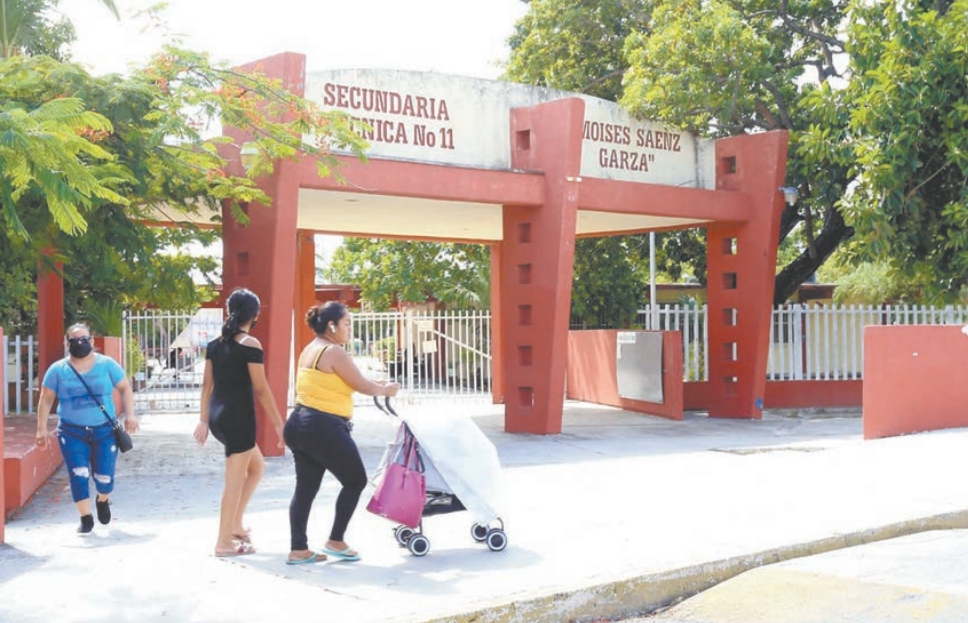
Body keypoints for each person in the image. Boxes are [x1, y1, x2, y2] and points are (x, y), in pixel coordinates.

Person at [284, 301, 400, 565]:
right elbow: (360, 384)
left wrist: (379, 384)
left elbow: (346, 380)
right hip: (323, 426)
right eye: (347, 324)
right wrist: (386, 390)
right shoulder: (335, 351)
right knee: (355, 480)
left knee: (305, 490)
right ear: (331, 326)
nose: (350, 329)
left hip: (299, 424)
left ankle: (298, 549)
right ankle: (336, 540)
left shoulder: (310, 349)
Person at [193, 288, 285, 557]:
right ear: (255, 315)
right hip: (239, 420)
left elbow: (206, 387)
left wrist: (204, 421)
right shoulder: (251, 345)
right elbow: (261, 389)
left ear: (229, 311)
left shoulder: (214, 345)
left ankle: (234, 525)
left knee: (256, 468)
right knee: (234, 482)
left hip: (220, 418)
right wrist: (280, 425)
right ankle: (223, 541)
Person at [35, 323, 139, 534]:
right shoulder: (57, 370)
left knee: (105, 477)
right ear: (67, 343)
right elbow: (46, 399)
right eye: (75, 340)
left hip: (104, 431)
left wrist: (130, 415)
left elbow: (125, 388)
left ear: (92, 341)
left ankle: (102, 499)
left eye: (84, 339)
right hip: (72, 432)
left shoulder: (107, 364)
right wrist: (41, 428)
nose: (80, 343)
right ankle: (85, 517)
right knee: (78, 474)